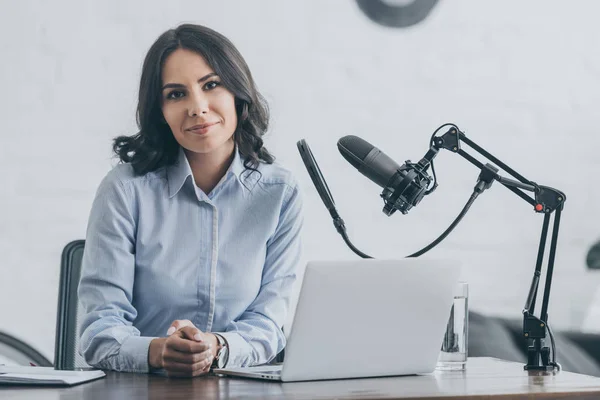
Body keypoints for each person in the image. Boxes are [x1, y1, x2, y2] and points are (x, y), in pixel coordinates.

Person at [77, 24, 303, 378]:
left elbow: (269, 325)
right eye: (176, 94)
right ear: (160, 111)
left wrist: (216, 347)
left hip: (240, 388)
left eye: (211, 85)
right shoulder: (124, 190)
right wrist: (158, 351)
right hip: (140, 390)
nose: (197, 108)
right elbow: (100, 331)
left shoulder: (280, 193)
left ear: (237, 92)